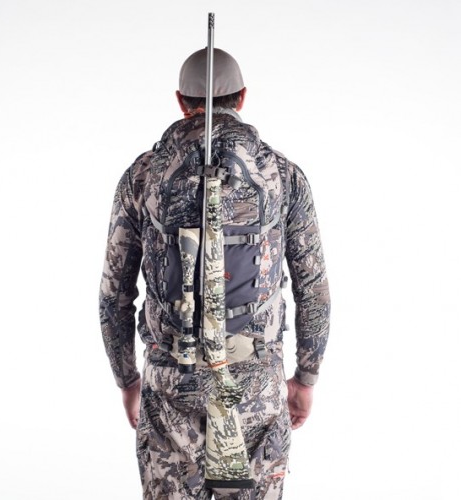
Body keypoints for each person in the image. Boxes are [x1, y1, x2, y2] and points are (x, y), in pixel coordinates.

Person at [99, 48, 330, 499]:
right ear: (242, 97)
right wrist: (306, 377)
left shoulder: (142, 176)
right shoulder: (283, 176)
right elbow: (314, 291)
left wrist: (127, 380)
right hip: (257, 387)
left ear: (180, 101)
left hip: (170, 387)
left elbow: (114, 295)